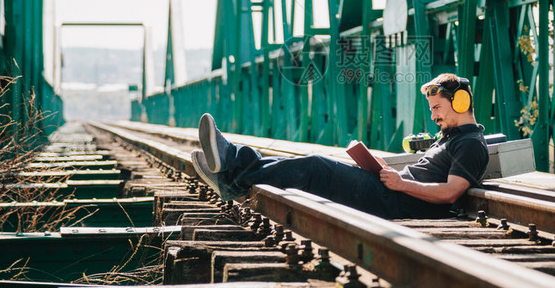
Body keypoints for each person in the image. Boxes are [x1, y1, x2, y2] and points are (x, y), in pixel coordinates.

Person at [190, 73, 489, 219]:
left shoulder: (471, 144)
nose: (434, 115)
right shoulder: (451, 138)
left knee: (316, 166)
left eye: (438, 108)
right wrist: (382, 170)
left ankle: (231, 165)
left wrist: (399, 185)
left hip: (398, 203)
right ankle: (231, 170)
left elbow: (451, 193)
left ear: (461, 102)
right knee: (313, 166)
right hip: (393, 193)